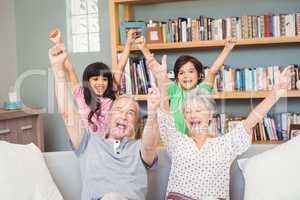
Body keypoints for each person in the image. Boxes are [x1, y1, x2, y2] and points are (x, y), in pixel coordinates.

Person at [152, 56, 293, 199]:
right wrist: (161, 79)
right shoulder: (176, 141)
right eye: (187, 112)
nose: (192, 115)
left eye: (198, 110)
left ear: (210, 115)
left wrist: (275, 94)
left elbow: (251, 121)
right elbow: (165, 117)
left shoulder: (225, 144)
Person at [48, 43, 161, 200]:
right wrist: (58, 69)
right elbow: (67, 114)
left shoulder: (138, 149)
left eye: (130, 113)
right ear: (110, 116)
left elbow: (149, 146)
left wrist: (154, 112)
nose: (123, 116)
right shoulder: (89, 143)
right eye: (119, 110)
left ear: (134, 125)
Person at [136, 36, 237, 134]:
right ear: (177, 78)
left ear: (199, 75)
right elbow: (158, 72)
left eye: (191, 71)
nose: (186, 76)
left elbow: (213, 71)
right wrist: (144, 49)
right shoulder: (174, 90)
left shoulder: (202, 90)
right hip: (176, 141)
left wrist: (227, 48)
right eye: (181, 73)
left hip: (197, 140)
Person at [48, 28, 138, 135]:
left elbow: (121, 65)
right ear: (88, 81)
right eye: (95, 79)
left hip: (109, 142)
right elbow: (69, 68)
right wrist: (59, 42)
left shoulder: (112, 92)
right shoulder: (80, 94)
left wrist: (128, 41)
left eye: (104, 79)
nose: (100, 83)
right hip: (88, 144)